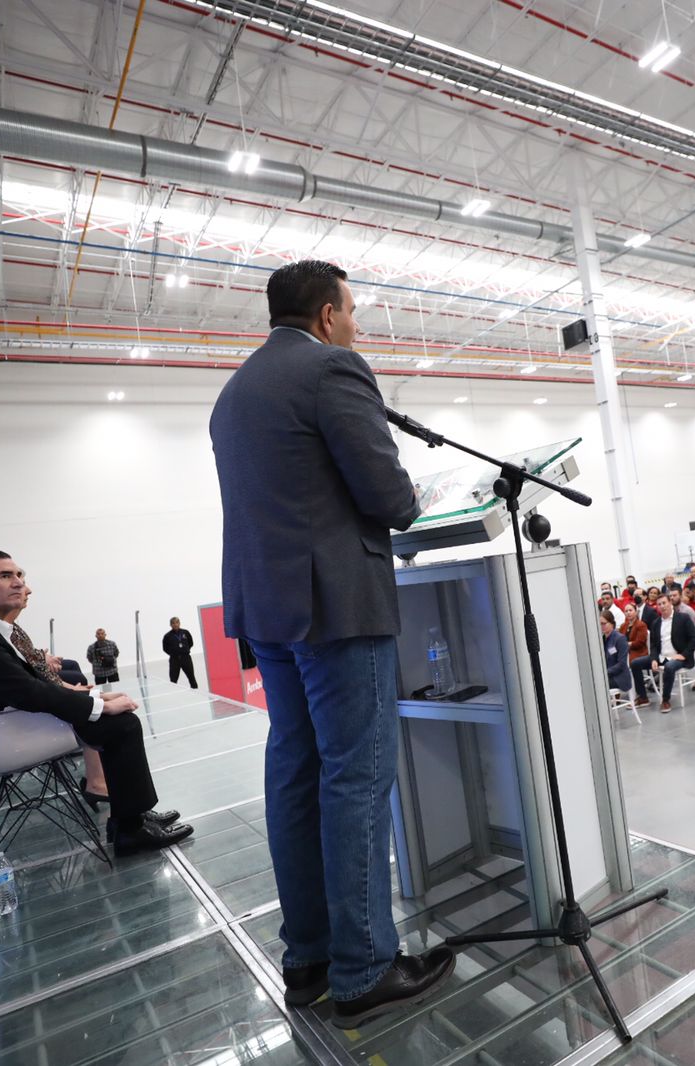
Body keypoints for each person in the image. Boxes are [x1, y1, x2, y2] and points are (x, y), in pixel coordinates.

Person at [208, 260, 453, 1026]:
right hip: (338, 609)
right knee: (357, 776)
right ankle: (364, 969)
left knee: (297, 771)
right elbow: (389, 497)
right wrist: (413, 495)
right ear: (324, 315)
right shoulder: (334, 369)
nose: (356, 326)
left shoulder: (234, 391)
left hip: (268, 611)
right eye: (351, 312)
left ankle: (308, 959)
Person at [0, 551, 191, 855]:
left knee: (110, 720)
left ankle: (132, 814)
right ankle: (130, 828)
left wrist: (90, 697)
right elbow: (29, 691)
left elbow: (29, 682)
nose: (19, 583)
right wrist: (98, 706)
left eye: (20, 576)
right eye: (6, 576)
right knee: (120, 724)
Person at [647, 596, 695, 711]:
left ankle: (665, 700)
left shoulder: (683, 618)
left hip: (679, 657)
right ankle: (642, 698)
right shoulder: (656, 623)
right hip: (661, 656)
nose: (662, 606)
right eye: (659, 604)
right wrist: (654, 659)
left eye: (664, 603)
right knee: (636, 663)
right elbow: (654, 645)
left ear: (670, 603)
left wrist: (684, 654)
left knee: (669, 667)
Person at [620, 603, 651, 706]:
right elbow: (620, 640)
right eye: (626, 611)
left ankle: (641, 696)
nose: (628, 613)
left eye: (630, 610)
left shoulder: (641, 624)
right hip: (626, 652)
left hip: (639, 652)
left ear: (636, 611)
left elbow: (640, 642)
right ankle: (617, 694)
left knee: (631, 663)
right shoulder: (623, 626)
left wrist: (627, 644)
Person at [162, 618, 199, 688]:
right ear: (170, 625)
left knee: (192, 679)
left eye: (177, 622)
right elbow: (165, 648)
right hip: (174, 660)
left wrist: (184, 650)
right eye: (173, 623)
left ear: (179, 623)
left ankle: (197, 695)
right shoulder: (167, 636)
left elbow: (190, 643)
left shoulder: (185, 632)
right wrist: (173, 653)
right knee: (173, 681)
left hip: (186, 658)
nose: (175, 624)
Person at [602, 615, 633, 696]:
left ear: (612, 624)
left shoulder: (620, 639)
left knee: (597, 684)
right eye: (600, 624)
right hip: (608, 675)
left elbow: (622, 664)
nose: (602, 626)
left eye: (604, 623)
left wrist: (605, 672)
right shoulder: (602, 639)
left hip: (620, 677)